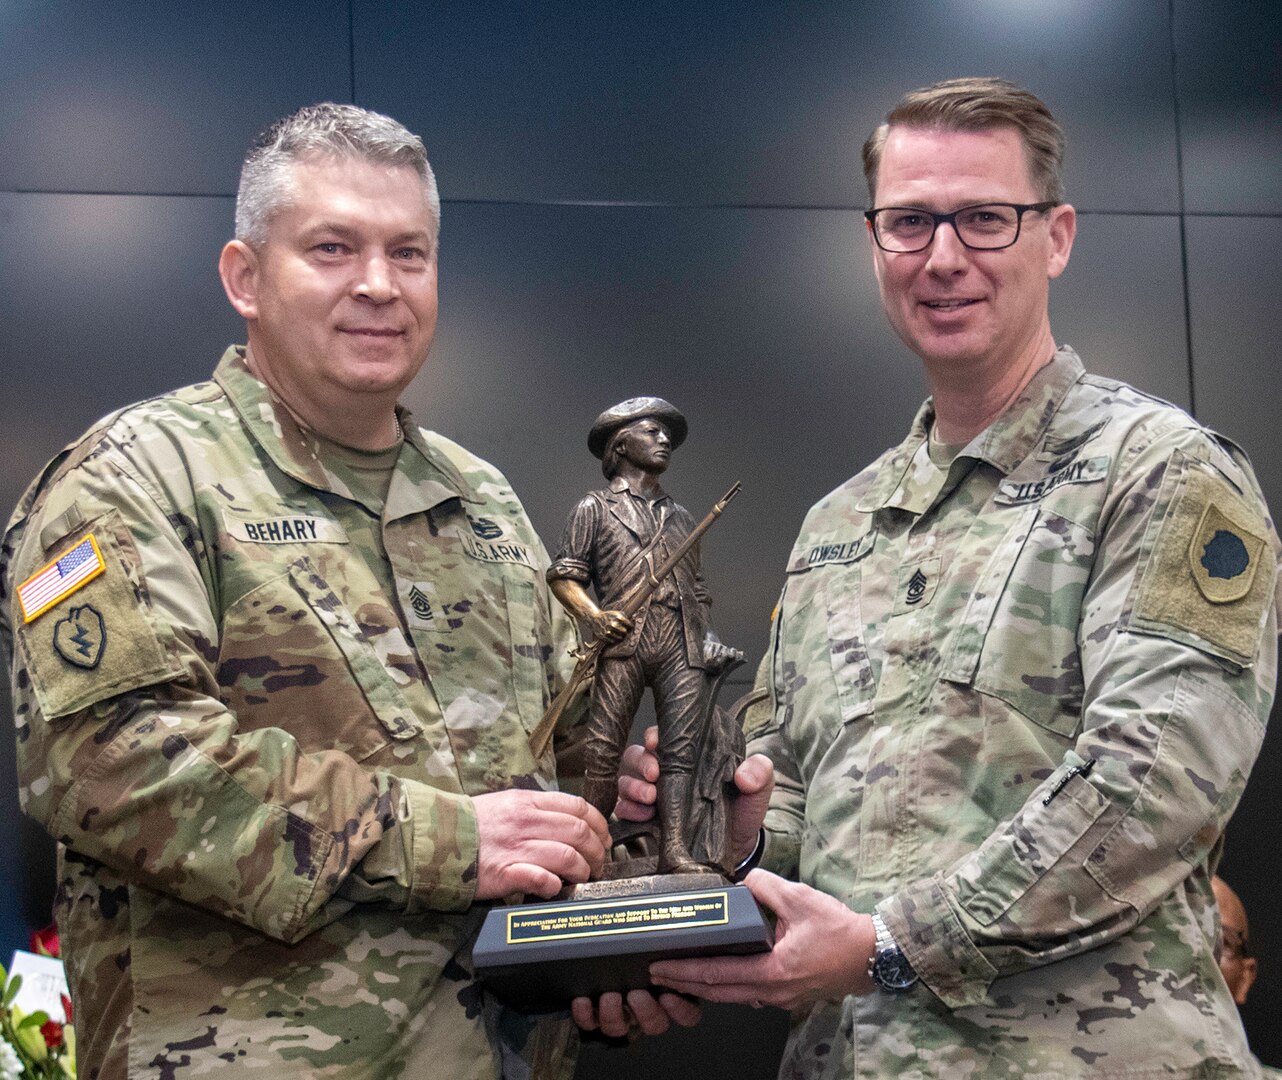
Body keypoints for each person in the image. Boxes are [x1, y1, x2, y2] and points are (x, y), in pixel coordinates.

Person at [639, 77, 1281, 1077]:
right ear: (874, 243)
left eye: (984, 219)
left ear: (1055, 236)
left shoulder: (1159, 469)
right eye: (910, 222)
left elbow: (1151, 786)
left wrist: (893, 946)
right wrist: (741, 837)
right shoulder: (838, 525)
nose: (944, 258)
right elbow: (796, 785)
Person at [0, 103, 621, 1079]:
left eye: (407, 253)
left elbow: (562, 750)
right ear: (244, 277)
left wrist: (629, 846)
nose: (378, 285)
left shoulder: (481, 498)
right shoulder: (134, 479)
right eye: (333, 247)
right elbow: (114, 765)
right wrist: (447, 840)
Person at [546, 398, 740, 875]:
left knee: (681, 752)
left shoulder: (683, 516)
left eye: (665, 434)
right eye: (651, 431)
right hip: (624, 640)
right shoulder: (594, 507)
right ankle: (590, 853)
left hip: (680, 639)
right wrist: (595, 616)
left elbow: (696, 589)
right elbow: (565, 575)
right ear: (621, 444)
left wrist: (708, 635)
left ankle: (675, 850)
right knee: (603, 749)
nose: (664, 440)